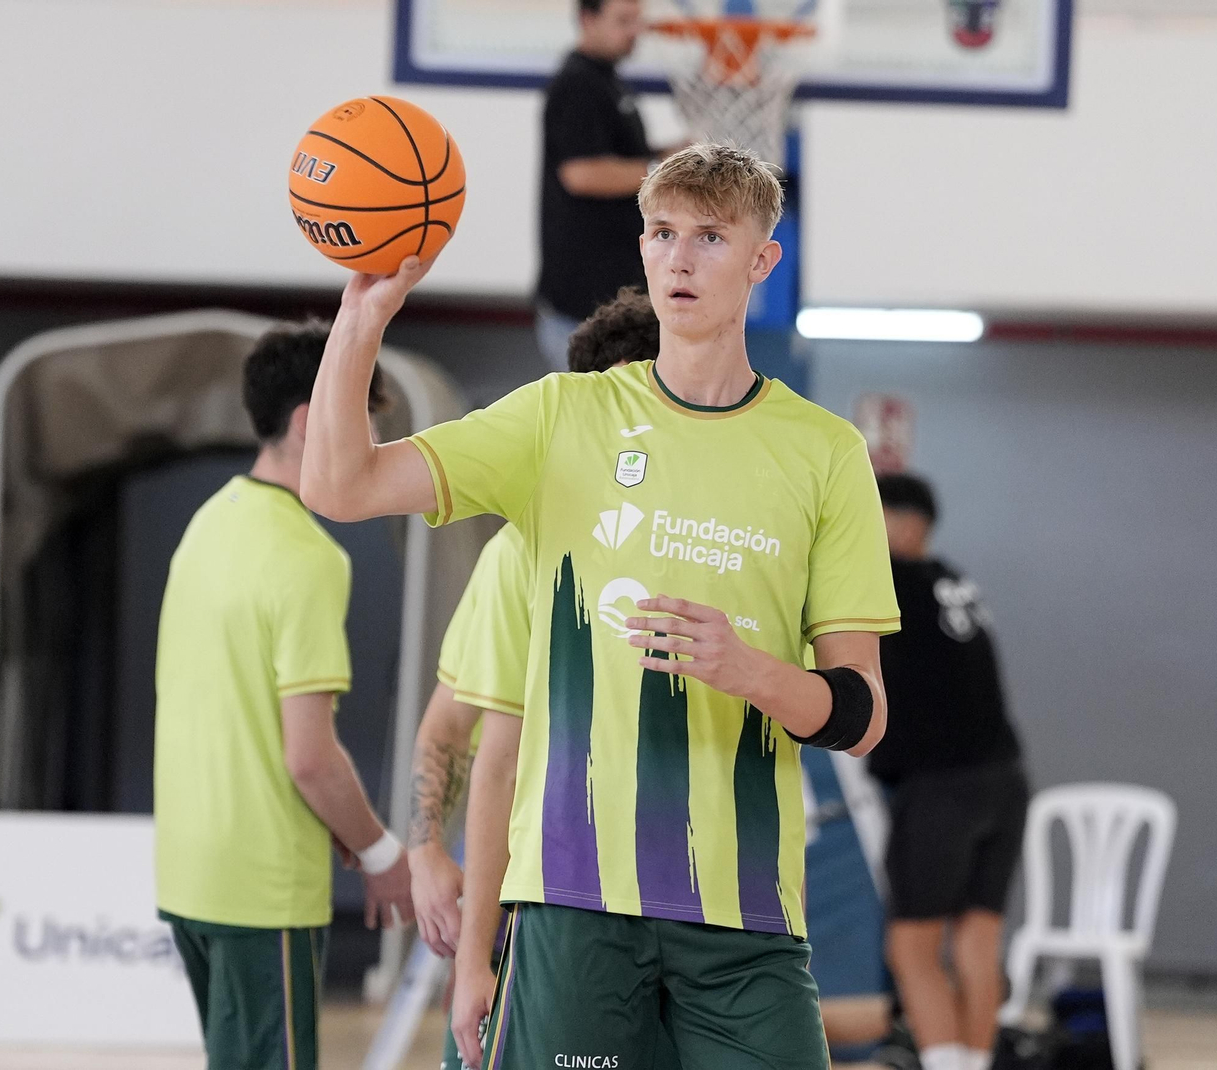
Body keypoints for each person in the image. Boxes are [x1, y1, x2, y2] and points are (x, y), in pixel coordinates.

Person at [304, 143, 899, 1070]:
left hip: (744, 914)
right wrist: (361, 320)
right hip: (575, 907)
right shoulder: (559, 419)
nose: (680, 258)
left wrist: (749, 670)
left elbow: (863, 715)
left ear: (762, 260)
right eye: (662, 233)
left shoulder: (825, 453)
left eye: (710, 236)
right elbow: (340, 484)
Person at [404, 289, 665, 1070]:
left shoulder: (716, 548)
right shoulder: (523, 551)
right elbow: (461, 735)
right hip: (545, 909)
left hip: (674, 912)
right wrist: (426, 855)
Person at [153, 321, 413, 1070]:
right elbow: (309, 757)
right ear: (310, 421)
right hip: (263, 889)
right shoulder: (308, 557)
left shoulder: (209, 524)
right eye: (362, 421)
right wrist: (381, 851)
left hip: (191, 873)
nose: (367, 445)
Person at [869, 473, 1028, 1070]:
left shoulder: (892, 581)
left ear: (905, 522)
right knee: (976, 940)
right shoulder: (953, 579)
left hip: (941, 787)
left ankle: (941, 1062)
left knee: (911, 946)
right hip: (1005, 782)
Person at [535, 0, 674, 369]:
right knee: (589, 418)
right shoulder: (577, 84)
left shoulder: (608, 80)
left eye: (638, 21)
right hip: (583, 305)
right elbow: (582, 173)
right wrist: (667, 170)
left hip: (613, 295)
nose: (634, 31)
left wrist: (671, 152)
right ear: (587, 19)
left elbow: (619, 156)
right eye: (622, 21)